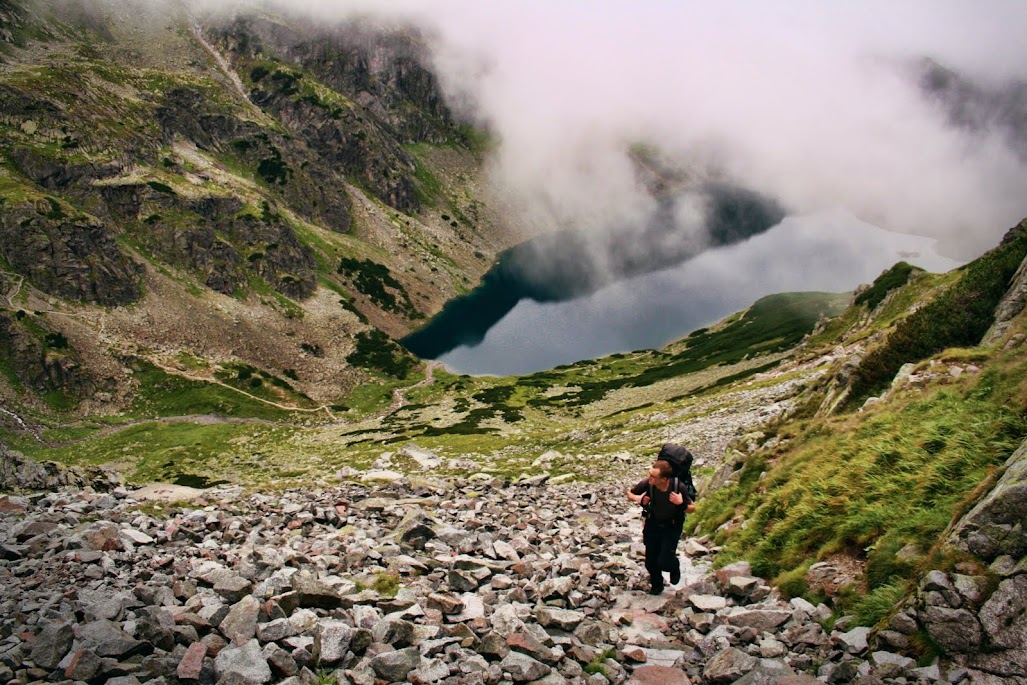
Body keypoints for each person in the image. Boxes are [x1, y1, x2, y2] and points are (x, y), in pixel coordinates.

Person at [627, 459, 696, 594]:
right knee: (650, 561)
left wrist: (681, 503)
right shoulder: (648, 483)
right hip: (653, 523)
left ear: (664, 479)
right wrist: (638, 499)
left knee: (664, 561)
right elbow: (630, 493)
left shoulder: (678, 487)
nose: (649, 478)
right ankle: (657, 585)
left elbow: (692, 508)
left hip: (672, 526)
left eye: (653, 476)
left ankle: (674, 566)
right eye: (649, 474)